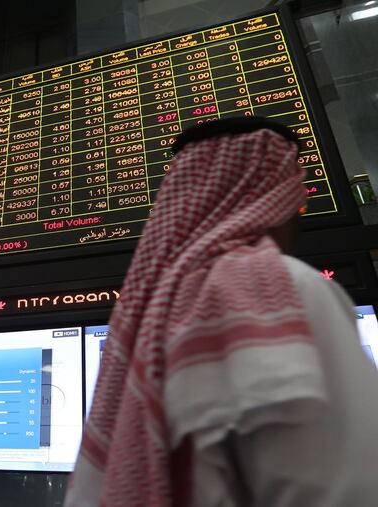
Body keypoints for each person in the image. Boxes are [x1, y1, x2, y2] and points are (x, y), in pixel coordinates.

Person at [67, 117, 378, 506]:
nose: (297, 212)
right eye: (295, 197)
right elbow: (348, 485)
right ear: (272, 200)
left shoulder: (148, 309)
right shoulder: (277, 286)